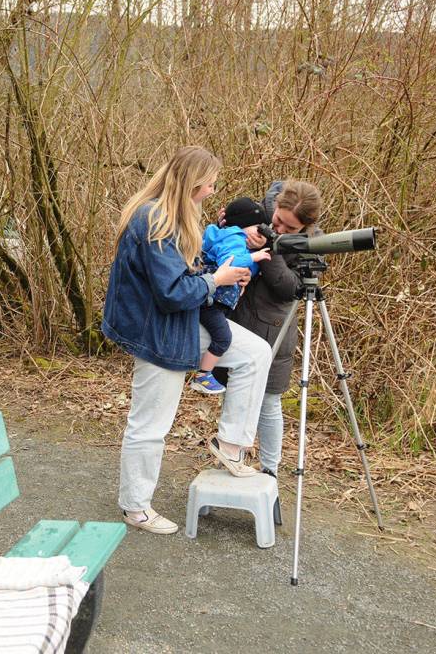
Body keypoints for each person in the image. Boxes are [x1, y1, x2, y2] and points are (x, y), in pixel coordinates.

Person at [102, 146, 273, 535]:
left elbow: (183, 277)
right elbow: (171, 292)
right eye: (210, 183)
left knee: (255, 354)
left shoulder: (177, 216)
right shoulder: (154, 220)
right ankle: (135, 506)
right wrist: (217, 281)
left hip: (179, 322)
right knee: (150, 424)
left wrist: (223, 273)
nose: (213, 191)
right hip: (157, 331)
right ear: (193, 182)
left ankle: (230, 446)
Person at [229, 179, 323, 478]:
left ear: (306, 227)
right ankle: (231, 461)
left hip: (273, 330)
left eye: (290, 229)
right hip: (236, 318)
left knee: (269, 403)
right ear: (277, 205)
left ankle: (270, 470)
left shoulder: (314, 242)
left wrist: (271, 249)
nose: (280, 229)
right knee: (235, 397)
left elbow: (292, 288)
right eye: (279, 221)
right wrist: (230, 225)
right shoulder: (256, 213)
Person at [191, 196, 271, 395]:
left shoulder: (231, 237)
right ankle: (203, 375)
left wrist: (250, 270)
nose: (261, 232)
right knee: (223, 338)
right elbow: (231, 260)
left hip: (213, 300)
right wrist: (255, 256)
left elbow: (246, 267)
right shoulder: (233, 238)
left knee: (219, 335)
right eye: (258, 228)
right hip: (211, 302)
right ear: (243, 226)